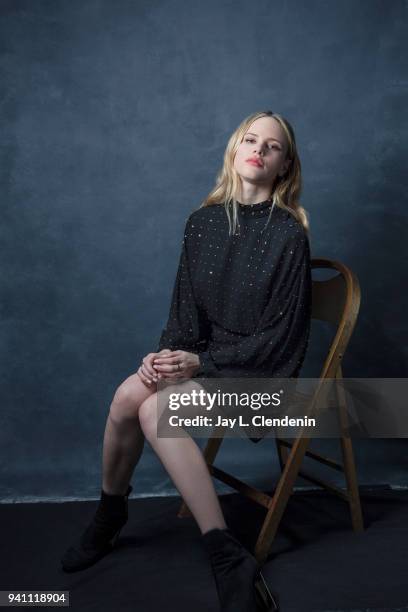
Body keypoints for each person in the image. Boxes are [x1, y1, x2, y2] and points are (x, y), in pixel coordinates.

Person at [61, 110, 312, 612]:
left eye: (273, 146)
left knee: (157, 412)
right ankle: (110, 513)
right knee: (130, 394)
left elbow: (282, 342)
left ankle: (226, 555)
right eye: (250, 139)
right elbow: (184, 316)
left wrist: (198, 364)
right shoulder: (201, 223)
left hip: (264, 376)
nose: (259, 149)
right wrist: (164, 359)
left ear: (284, 166)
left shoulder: (289, 235)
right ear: (235, 148)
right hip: (211, 364)